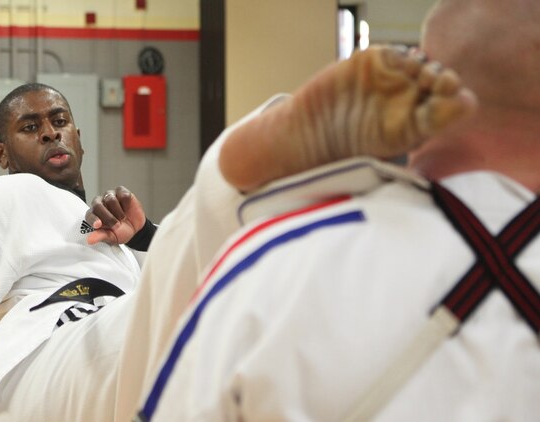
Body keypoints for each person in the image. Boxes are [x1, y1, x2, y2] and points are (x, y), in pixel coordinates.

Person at [98, 0, 540, 420]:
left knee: (158, 300)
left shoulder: (273, 264)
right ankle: (223, 187)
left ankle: (225, 183)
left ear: (421, 72)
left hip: (139, 310)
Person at [0, 83, 155, 421]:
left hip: (103, 373)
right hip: (51, 356)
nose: (50, 133)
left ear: (79, 138)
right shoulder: (9, 194)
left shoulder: (108, 233)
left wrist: (143, 236)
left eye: (59, 121)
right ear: (2, 154)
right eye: (30, 127)